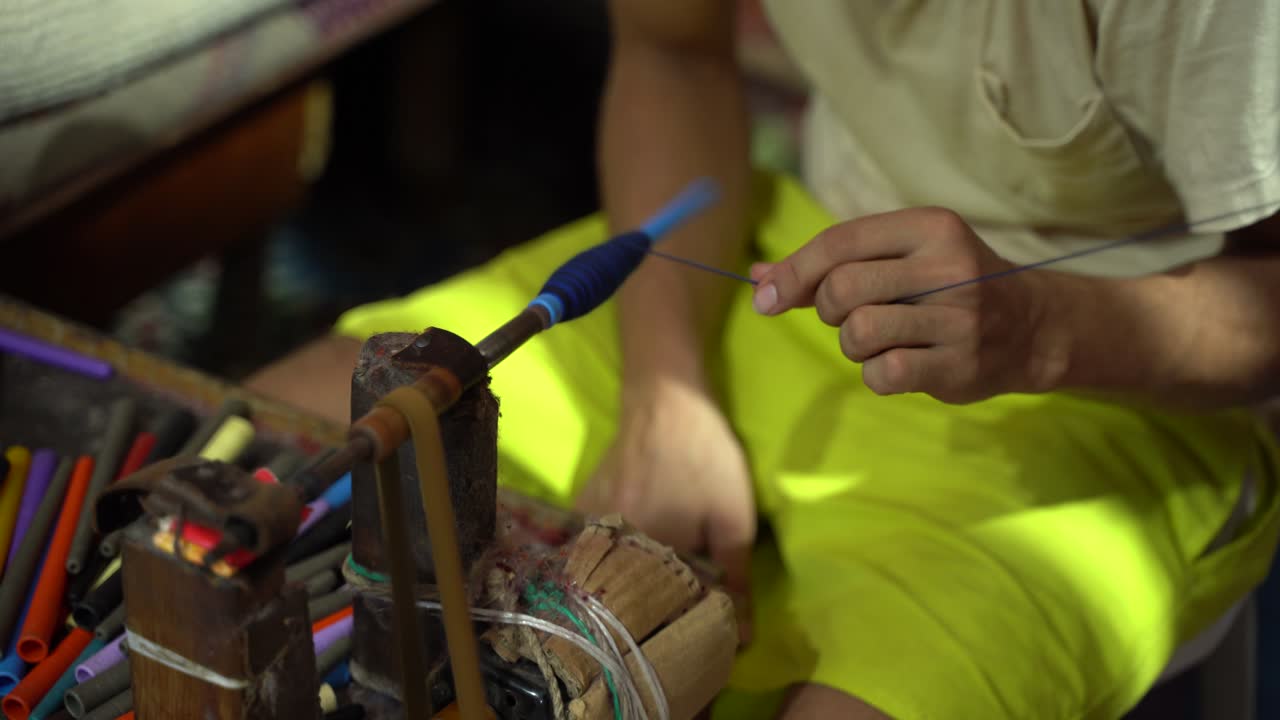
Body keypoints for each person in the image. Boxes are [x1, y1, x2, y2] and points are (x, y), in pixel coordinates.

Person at [246, 1, 1280, 717]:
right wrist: (666, 391)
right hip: (783, 257)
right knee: (230, 454)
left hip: (1106, 388)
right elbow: (672, 54)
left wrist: (1037, 326)